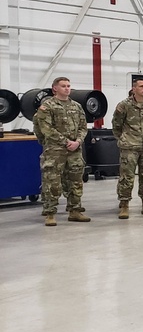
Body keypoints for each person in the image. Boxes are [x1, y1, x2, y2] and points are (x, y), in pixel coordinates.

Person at [35, 77, 90, 226]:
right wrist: (66, 142)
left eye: (68, 86)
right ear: (55, 89)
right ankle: (50, 213)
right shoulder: (47, 106)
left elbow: (83, 127)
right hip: (55, 151)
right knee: (52, 182)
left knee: (75, 182)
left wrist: (77, 141)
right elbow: (45, 129)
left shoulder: (77, 106)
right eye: (63, 86)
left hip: (74, 151)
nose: (67, 88)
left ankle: (75, 211)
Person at [111, 78, 143, 219]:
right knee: (127, 177)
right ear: (134, 89)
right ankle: (125, 205)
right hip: (129, 146)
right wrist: (123, 139)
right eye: (141, 86)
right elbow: (116, 125)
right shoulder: (124, 105)